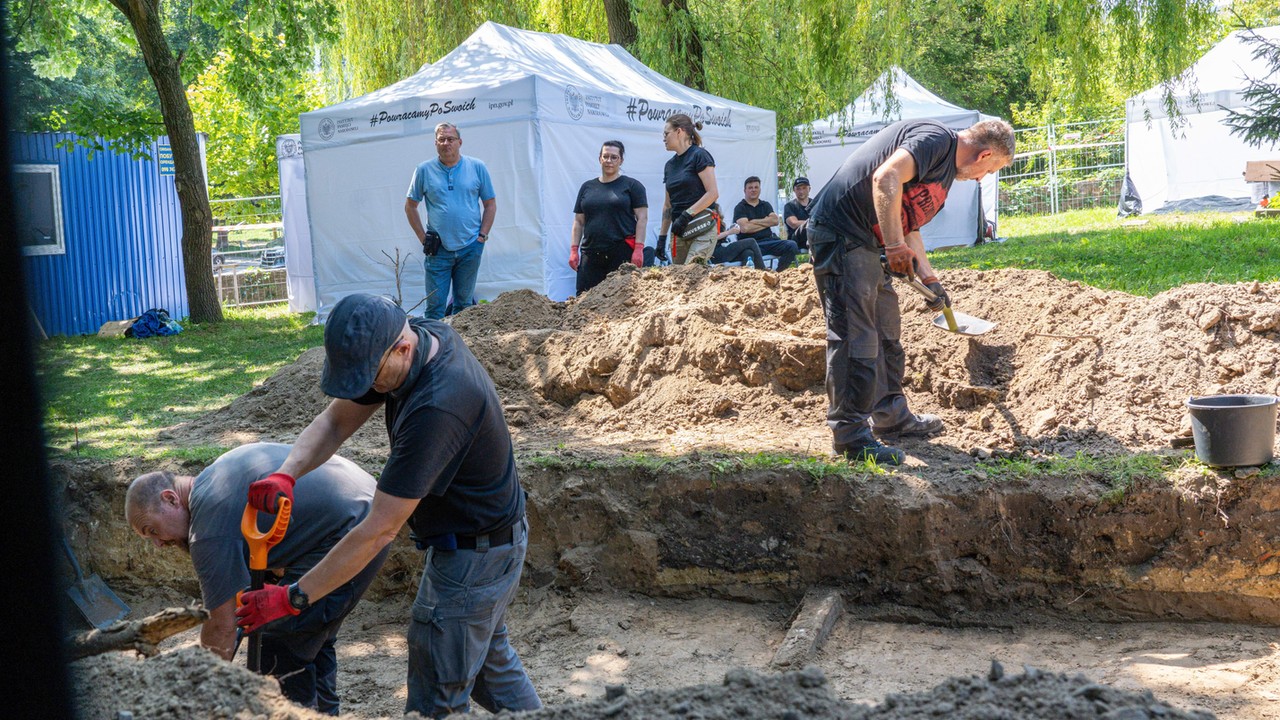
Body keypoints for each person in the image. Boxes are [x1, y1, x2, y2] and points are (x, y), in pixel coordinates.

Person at [234, 293, 541, 719]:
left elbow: (378, 529)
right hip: (484, 541)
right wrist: (286, 472)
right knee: (489, 669)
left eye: (370, 377)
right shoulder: (419, 342)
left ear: (402, 348)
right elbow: (335, 421)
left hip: (477, 557)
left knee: (437, 696)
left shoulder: (438, 407)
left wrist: (292, 598)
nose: (367, 389)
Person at [807, 118, 1014, 465]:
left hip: (870, 243)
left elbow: (909, 220)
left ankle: (891, 417)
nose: (984, 178)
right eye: (992, 169)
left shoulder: (945, 169)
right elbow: (885, 178)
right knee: (855, 335)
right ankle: (850, 437)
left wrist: (930, 279)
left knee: (887, 332)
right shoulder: (935, 140)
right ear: (985, 155)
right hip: (843, 233)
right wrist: (893, 245)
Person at [124, 443, 387, 715]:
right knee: (311, 639)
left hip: (353, 530)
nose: (157, 543)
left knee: (279, 648)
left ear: (171, 499)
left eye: (152, 529)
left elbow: (222, 626)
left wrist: (199, 690)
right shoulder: (216, 477)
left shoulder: (207, 531)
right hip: (367, 505)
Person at [404, 122, 496, 320]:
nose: (446, 143)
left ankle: (462, 346)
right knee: (435, 307)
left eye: (451, 139)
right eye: (441, 139)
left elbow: (490, 204)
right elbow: (410, 206)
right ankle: (434, 348)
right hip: (438, 250)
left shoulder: (477, 167)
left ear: (459, 142)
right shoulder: (423, 170)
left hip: (470, 247)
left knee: (464, 306)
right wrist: (423, 238)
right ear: (435, 143)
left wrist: (482, 236)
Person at [569, 140, 648, 294]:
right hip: (591, 252)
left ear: (621, 160)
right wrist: (573, 250)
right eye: (605, 157)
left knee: (620, 298)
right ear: (600, 159)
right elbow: (579, 221)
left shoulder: (632, 186)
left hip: (620, 250)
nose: (609, 161)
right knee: (584, 298)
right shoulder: (587, 187)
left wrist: (639, 248)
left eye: (614, 157)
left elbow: (642, 218)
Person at [659, 113, 720, 264]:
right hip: (679, 231)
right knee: (680, 279)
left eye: (666, 133)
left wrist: (687, 215)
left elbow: (713, 193)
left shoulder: (699, 155)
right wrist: (662, 237)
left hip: (702, 226)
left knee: (692, 271)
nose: (663, 138)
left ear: (679, 131)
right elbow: (668, 205)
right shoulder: (669, 165)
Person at [732, 176, 799, 271]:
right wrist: (766, 221)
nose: (753, 190)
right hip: (752, 245)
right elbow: (745, 228)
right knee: (748, 254)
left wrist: (754, 221)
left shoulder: (765, 205)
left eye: (756, 187)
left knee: (792, 245)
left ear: (760, 189)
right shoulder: (740, 207)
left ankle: (778, 274)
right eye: (750, 188)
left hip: (769, 241)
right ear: (745, 190)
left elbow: (775, 221)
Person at [783, 176, 813, 252]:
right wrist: (813, 223)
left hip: (814, 235)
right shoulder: (790, 206)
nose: (801, 191)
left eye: (804, 188)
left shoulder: (815, 204)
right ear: (794, 190)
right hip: (797, 239)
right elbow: (793, 223)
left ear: (809, 189)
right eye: (798, 189)